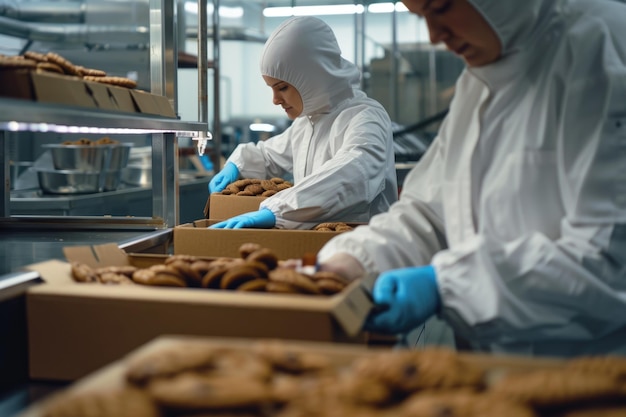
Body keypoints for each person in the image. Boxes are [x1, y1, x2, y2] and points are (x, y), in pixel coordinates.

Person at [317, 0, 626, 357]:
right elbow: (430, 212)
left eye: (442, 7)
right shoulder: (481, 76)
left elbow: (609, 258)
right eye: (422, 17)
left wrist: (448, 286)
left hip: (591, 371)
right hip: (494, 364)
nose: (435, 35)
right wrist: (357, 260)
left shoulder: (602, 51)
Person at [209, 16, 398, 230]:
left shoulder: (365, 117)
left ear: (313, 78)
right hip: (317, 245)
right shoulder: (307, 122)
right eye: (271, 89)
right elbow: (270, 155)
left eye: (282, 88)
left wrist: (278, 211)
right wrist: (238, 164)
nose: (275, 99)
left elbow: (352, 174)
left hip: (366, 248)